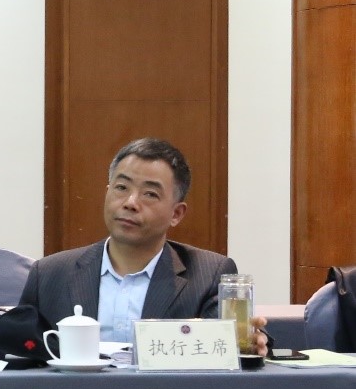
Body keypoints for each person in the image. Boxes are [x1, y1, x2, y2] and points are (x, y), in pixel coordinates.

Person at [19, 137, 268, 353]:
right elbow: (18, 352)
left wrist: (250, 342)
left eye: (150, 194)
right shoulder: (50, 274)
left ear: (176, 214)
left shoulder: (208, 275)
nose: (130, 202)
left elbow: (229, 348)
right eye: (121, 188)